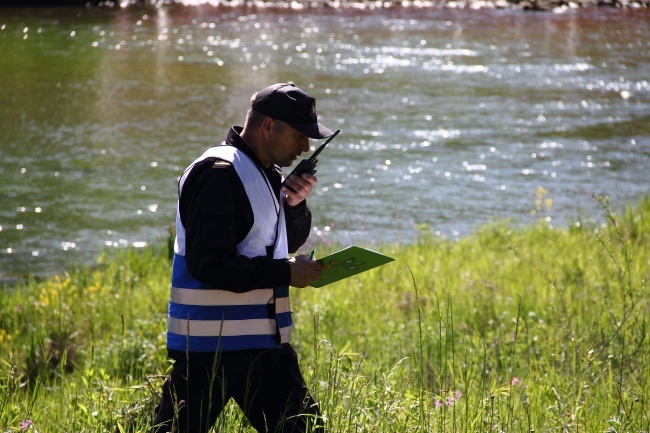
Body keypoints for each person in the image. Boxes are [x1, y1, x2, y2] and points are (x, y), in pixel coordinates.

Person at [150, 83, 334, 433]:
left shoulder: (267, 173)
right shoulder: (218, 173)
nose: (305, 147)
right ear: (268, 127)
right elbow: (210, 264)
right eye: (298, 135)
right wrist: (286, 273)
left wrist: (293, 207)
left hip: (264, 348)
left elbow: (280, 242)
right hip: (209, 352)